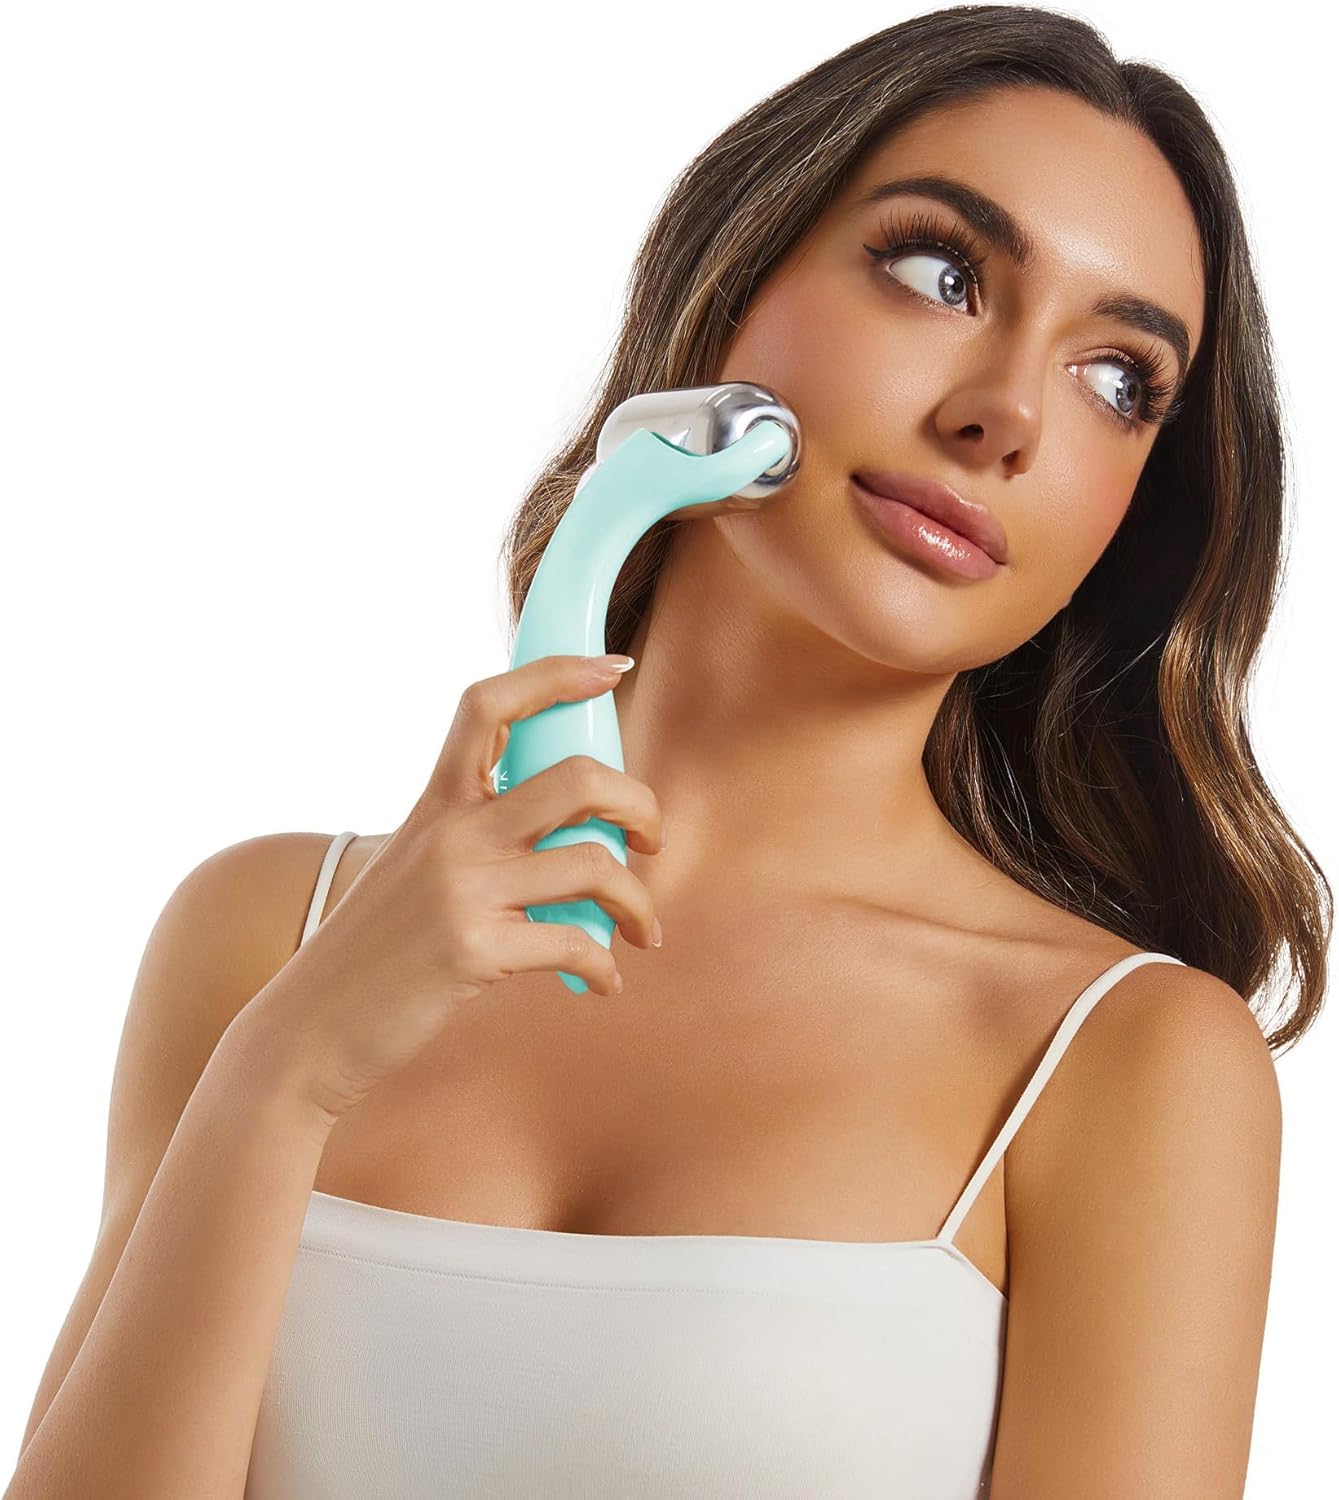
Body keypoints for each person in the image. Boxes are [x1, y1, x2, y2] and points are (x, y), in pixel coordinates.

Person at [8, 6, 1327, 1498]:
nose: (1007, 415)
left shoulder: (1124, 1060)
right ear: (729, 288)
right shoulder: (264, 938)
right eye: (941, 274)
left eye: (1119, 381)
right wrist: (285, 1070)